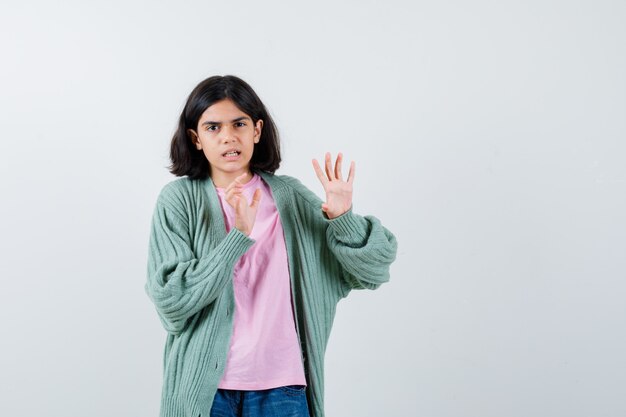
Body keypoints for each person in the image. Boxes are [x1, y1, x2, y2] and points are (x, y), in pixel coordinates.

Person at [145, 75, 398, 417]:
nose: (228, 137)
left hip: (283, 388)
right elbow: (171, 301)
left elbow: (373, 269)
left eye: (239, 124)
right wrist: (238, 235)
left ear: (257, 131)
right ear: (196, 138)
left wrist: (343, 218)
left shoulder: (289, 197)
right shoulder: (178, 200)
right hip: (206, 390)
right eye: (213, 127)